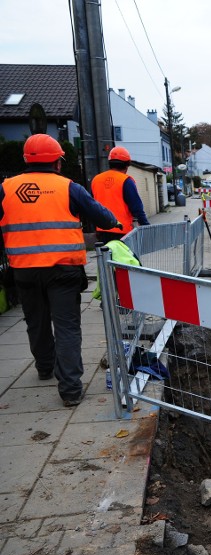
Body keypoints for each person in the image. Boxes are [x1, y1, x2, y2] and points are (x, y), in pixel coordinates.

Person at [0, 134, 121, 407]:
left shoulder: (5, 188)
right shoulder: (68, 187)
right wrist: (113, 220)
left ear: (26, 160)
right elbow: (101, 216)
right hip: (63, 270)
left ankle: (45, 367)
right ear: (57, 161)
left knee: (36, 321)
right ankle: (70, 390)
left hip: (25, 271)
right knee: (67, 327)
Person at [91, 146, 150, 243]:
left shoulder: (96, 180)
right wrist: (145, 225)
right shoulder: (126, 181)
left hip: (102, 231)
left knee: (106, 257)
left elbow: (91, 207)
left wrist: (95, 227)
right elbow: (136, 208)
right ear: (127, 165)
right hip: (122, 232)